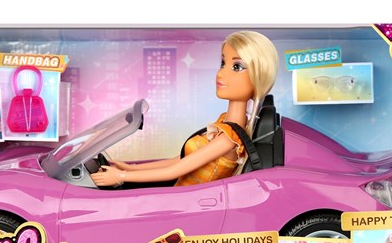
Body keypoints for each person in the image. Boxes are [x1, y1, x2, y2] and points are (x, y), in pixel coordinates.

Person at [91, 31, 279, 187]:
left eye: (237, 67)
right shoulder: (225, 122)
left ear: (258, 77)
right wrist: (130, 168)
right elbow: (180, 160)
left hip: (187, 205)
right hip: (179, 195)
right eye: (223, 63)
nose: (221, 73)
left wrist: (121, 177)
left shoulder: (230, 138)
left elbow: (175, 171)